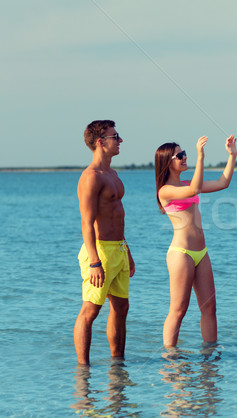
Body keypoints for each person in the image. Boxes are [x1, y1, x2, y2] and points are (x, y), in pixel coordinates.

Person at [155, 134, 237, 347]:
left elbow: (223, 182)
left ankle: (209, 358)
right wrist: (200, 157)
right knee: (179, 309)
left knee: (210, 308)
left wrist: (232, 156)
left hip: (201, 253)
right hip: (181, 254)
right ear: (167, 162)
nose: (184, 157)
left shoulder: (186, 183)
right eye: (179, 155)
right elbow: (194, 190)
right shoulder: (166, 191)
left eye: (185, 154)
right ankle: (170, 358)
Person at [74, 120, 135, 365]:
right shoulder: (91, 177)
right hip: (99, 252)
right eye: (115, 136)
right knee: (91, 311)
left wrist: (127, 251)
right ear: (100, 142)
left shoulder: (113, 174)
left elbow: (117, 216)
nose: (120, 140)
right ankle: (83, 371)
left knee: (121, 309)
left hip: (118, 249)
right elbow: (86, 222)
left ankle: (117, 366)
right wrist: (94, 262)